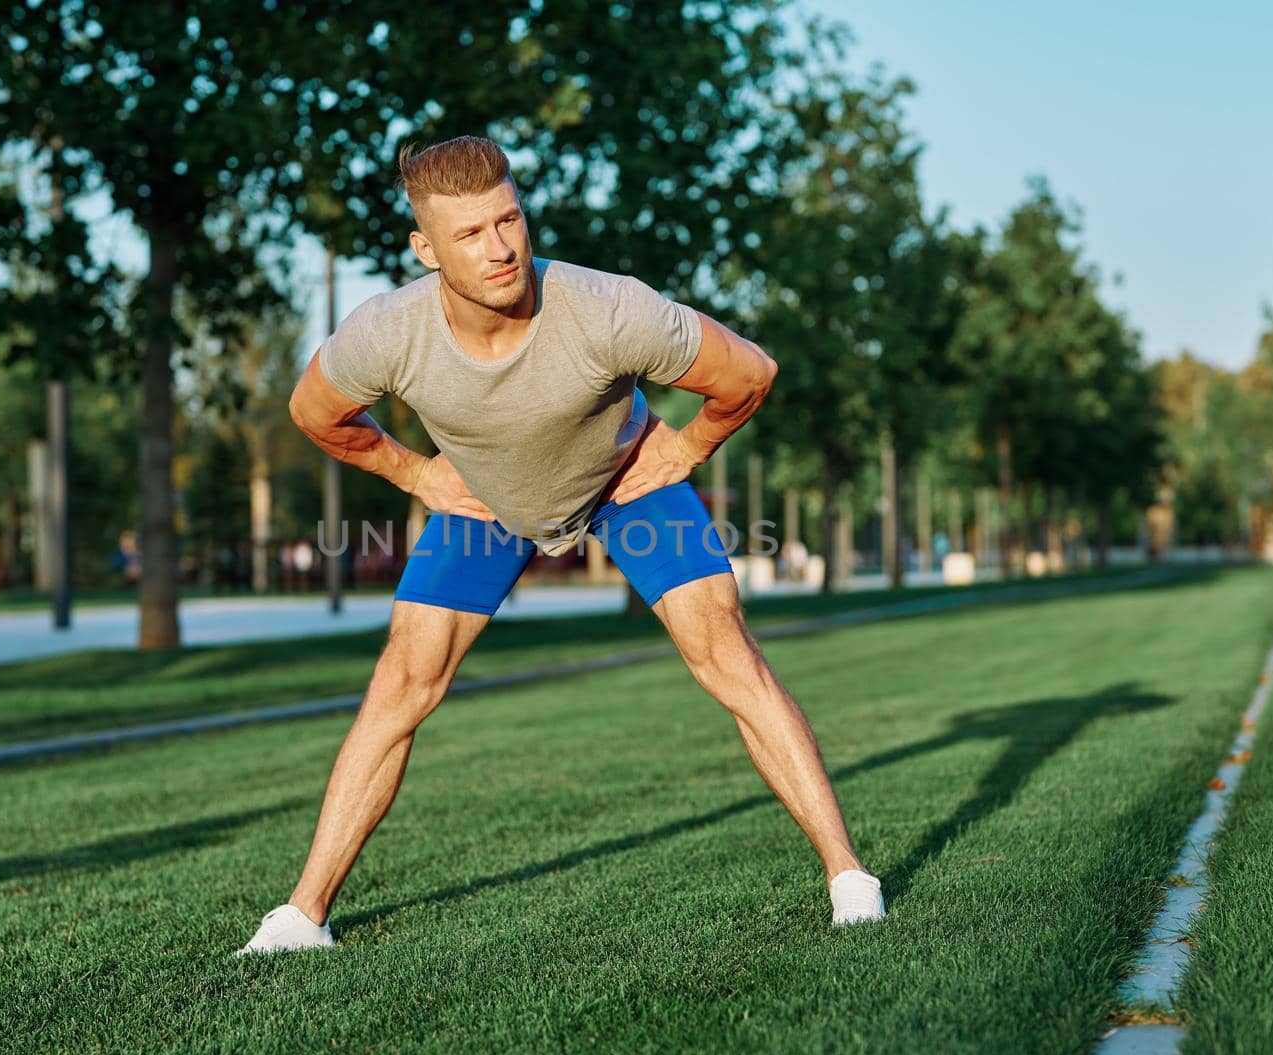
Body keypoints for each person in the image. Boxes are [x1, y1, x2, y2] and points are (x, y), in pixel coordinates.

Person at [235, 136, 883, 957]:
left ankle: (850, 880)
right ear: (424, 249)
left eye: (508, 219)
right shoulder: (388, 331)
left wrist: (682, 451)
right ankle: (301, 916)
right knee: (401, 682)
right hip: (484, 502)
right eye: (469, 234)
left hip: (624, 486)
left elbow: (749, 372)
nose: (500, 247)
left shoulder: (607, 309)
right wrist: (414, 475)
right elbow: (313, 411)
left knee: (727, 653)